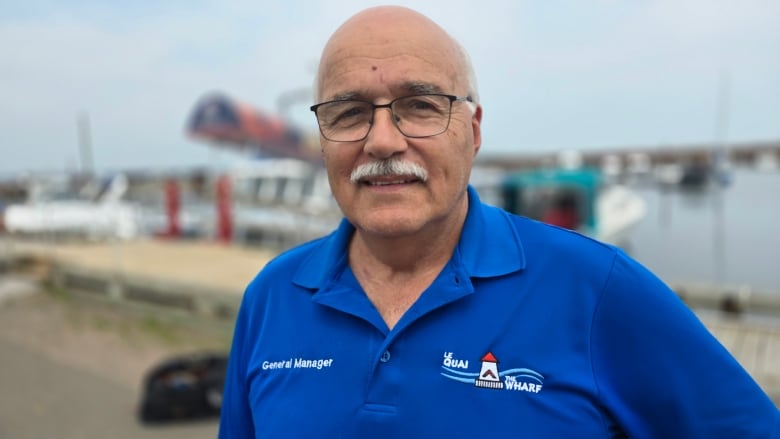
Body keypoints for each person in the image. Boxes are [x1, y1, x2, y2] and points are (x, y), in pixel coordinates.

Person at [219, 6, 779, 438]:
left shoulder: (596, 290)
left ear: (474, 130)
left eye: (420, 105)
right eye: (349, 112)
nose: (382, 140)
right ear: (322, 140)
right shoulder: (272, 296)